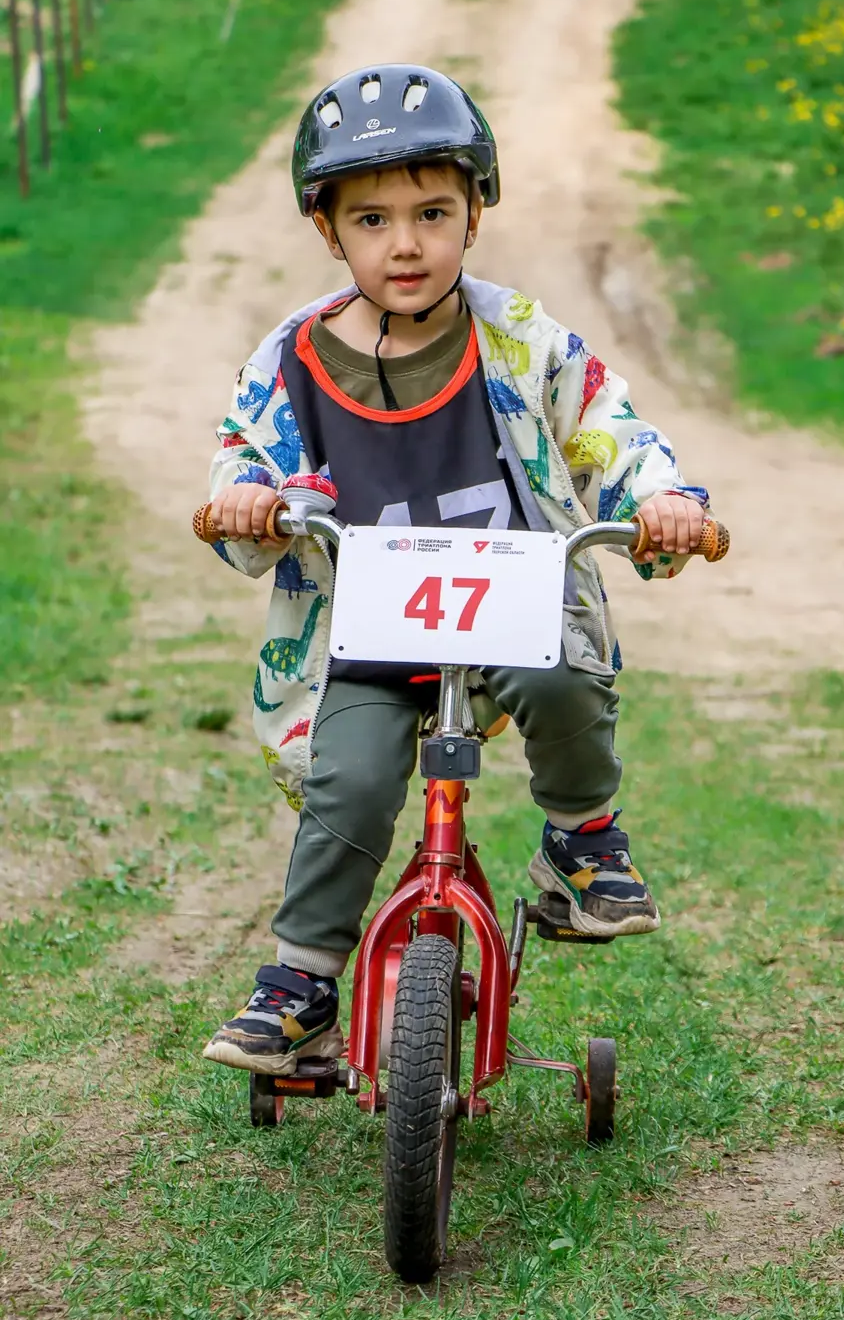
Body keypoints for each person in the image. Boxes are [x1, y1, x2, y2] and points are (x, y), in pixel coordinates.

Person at [201, 65, 712, 1075]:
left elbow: (603, 423)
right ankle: (302, 984)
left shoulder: (517, 338)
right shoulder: (291, 360)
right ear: (327, 229)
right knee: (349, 784)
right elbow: (242, 458)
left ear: (475, 213)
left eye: (433, 213)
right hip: (367, 634)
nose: (406, 244)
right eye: (373, 219)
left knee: (564, 673)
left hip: (509, 611)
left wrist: (662, 499)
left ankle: (580, 841)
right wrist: (248, 495)